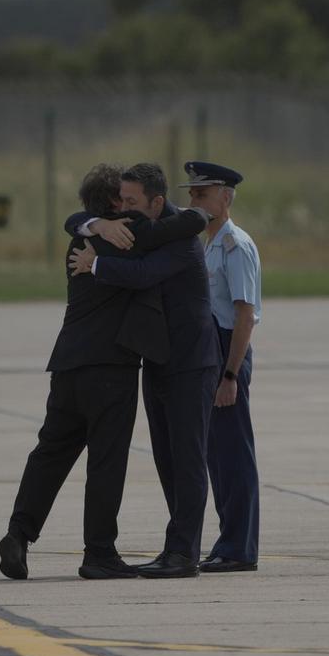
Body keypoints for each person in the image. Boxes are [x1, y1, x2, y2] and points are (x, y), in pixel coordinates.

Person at [0, 164, 208, 580]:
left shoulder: (81, 240)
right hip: (111, 367)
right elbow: (182, 226)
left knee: (50, 453)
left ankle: (18, 533)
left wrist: (87, 221)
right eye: (124, 200)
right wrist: (198, 216)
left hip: (67, 364)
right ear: (116, 205)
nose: (129, 207)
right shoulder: (128, 237)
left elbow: (78, 222)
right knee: (106, 461)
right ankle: (99, 552)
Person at [68, 163, 221, 578]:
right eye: (119, 200)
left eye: (131, 202)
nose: (123, 208)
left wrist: (94, 265)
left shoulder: (182, 235)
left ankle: (184, 553)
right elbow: (76, 220)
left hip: (190, 363)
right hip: (158, 360)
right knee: (167, 460)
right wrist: (95, 223)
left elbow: (143, 274)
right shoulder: (145, 226)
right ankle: (176, 545)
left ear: (156, 202)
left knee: (188, 460)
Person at [181, 161, 262, 573]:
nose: (192, 200)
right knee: (217, 455)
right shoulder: (207, 242)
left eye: (201, 194)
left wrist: (230, 375)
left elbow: (245, 314)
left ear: (225, 198)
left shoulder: (235, 245)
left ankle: (239, 548)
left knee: (233, 454)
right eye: (192, 194)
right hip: (211, 352)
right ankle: (228, 540)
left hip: (229, 351)